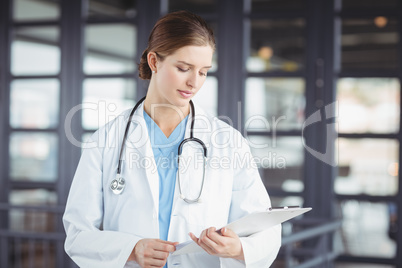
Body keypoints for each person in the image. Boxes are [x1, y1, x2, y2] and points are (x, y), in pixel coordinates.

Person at [63, 10, 281, 268]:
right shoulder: (106, 140)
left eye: (203, 72)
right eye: (183, 68)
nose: (194, 82)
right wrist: (131, 250)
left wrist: (238, 248)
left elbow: (262, 227)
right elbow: (78, 234)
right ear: (154, 62)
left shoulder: (228, 141)